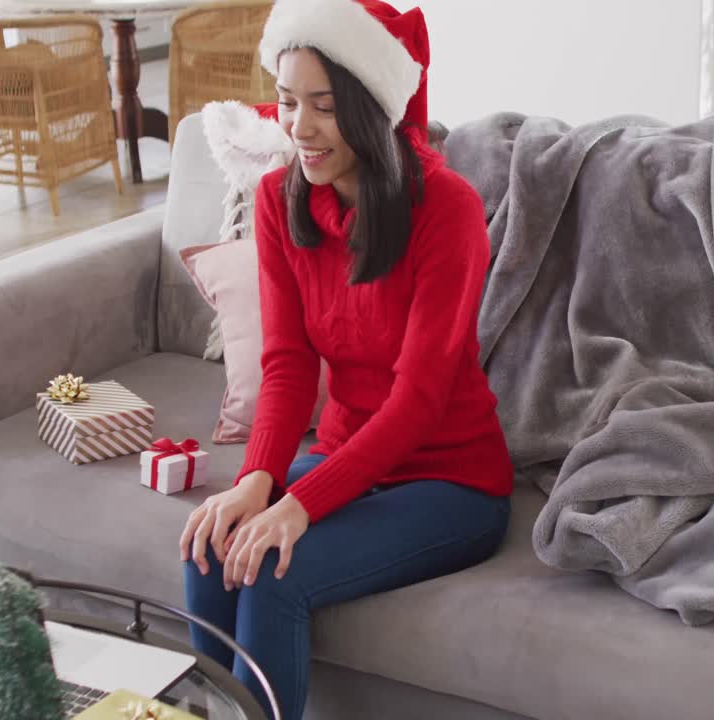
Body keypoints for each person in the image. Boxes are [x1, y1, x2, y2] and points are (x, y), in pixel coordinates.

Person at [177, 1, 514, 718]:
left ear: (369, 109)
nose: (298, 127)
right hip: (345, 458)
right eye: (288, 101)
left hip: (451, 478)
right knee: (211, 544)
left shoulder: (446, 209)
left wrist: (299, 506)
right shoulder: (276, 200)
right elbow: (289, 368)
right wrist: (255, 483)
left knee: (270, 572)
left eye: (324, 107)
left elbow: (418, 402)